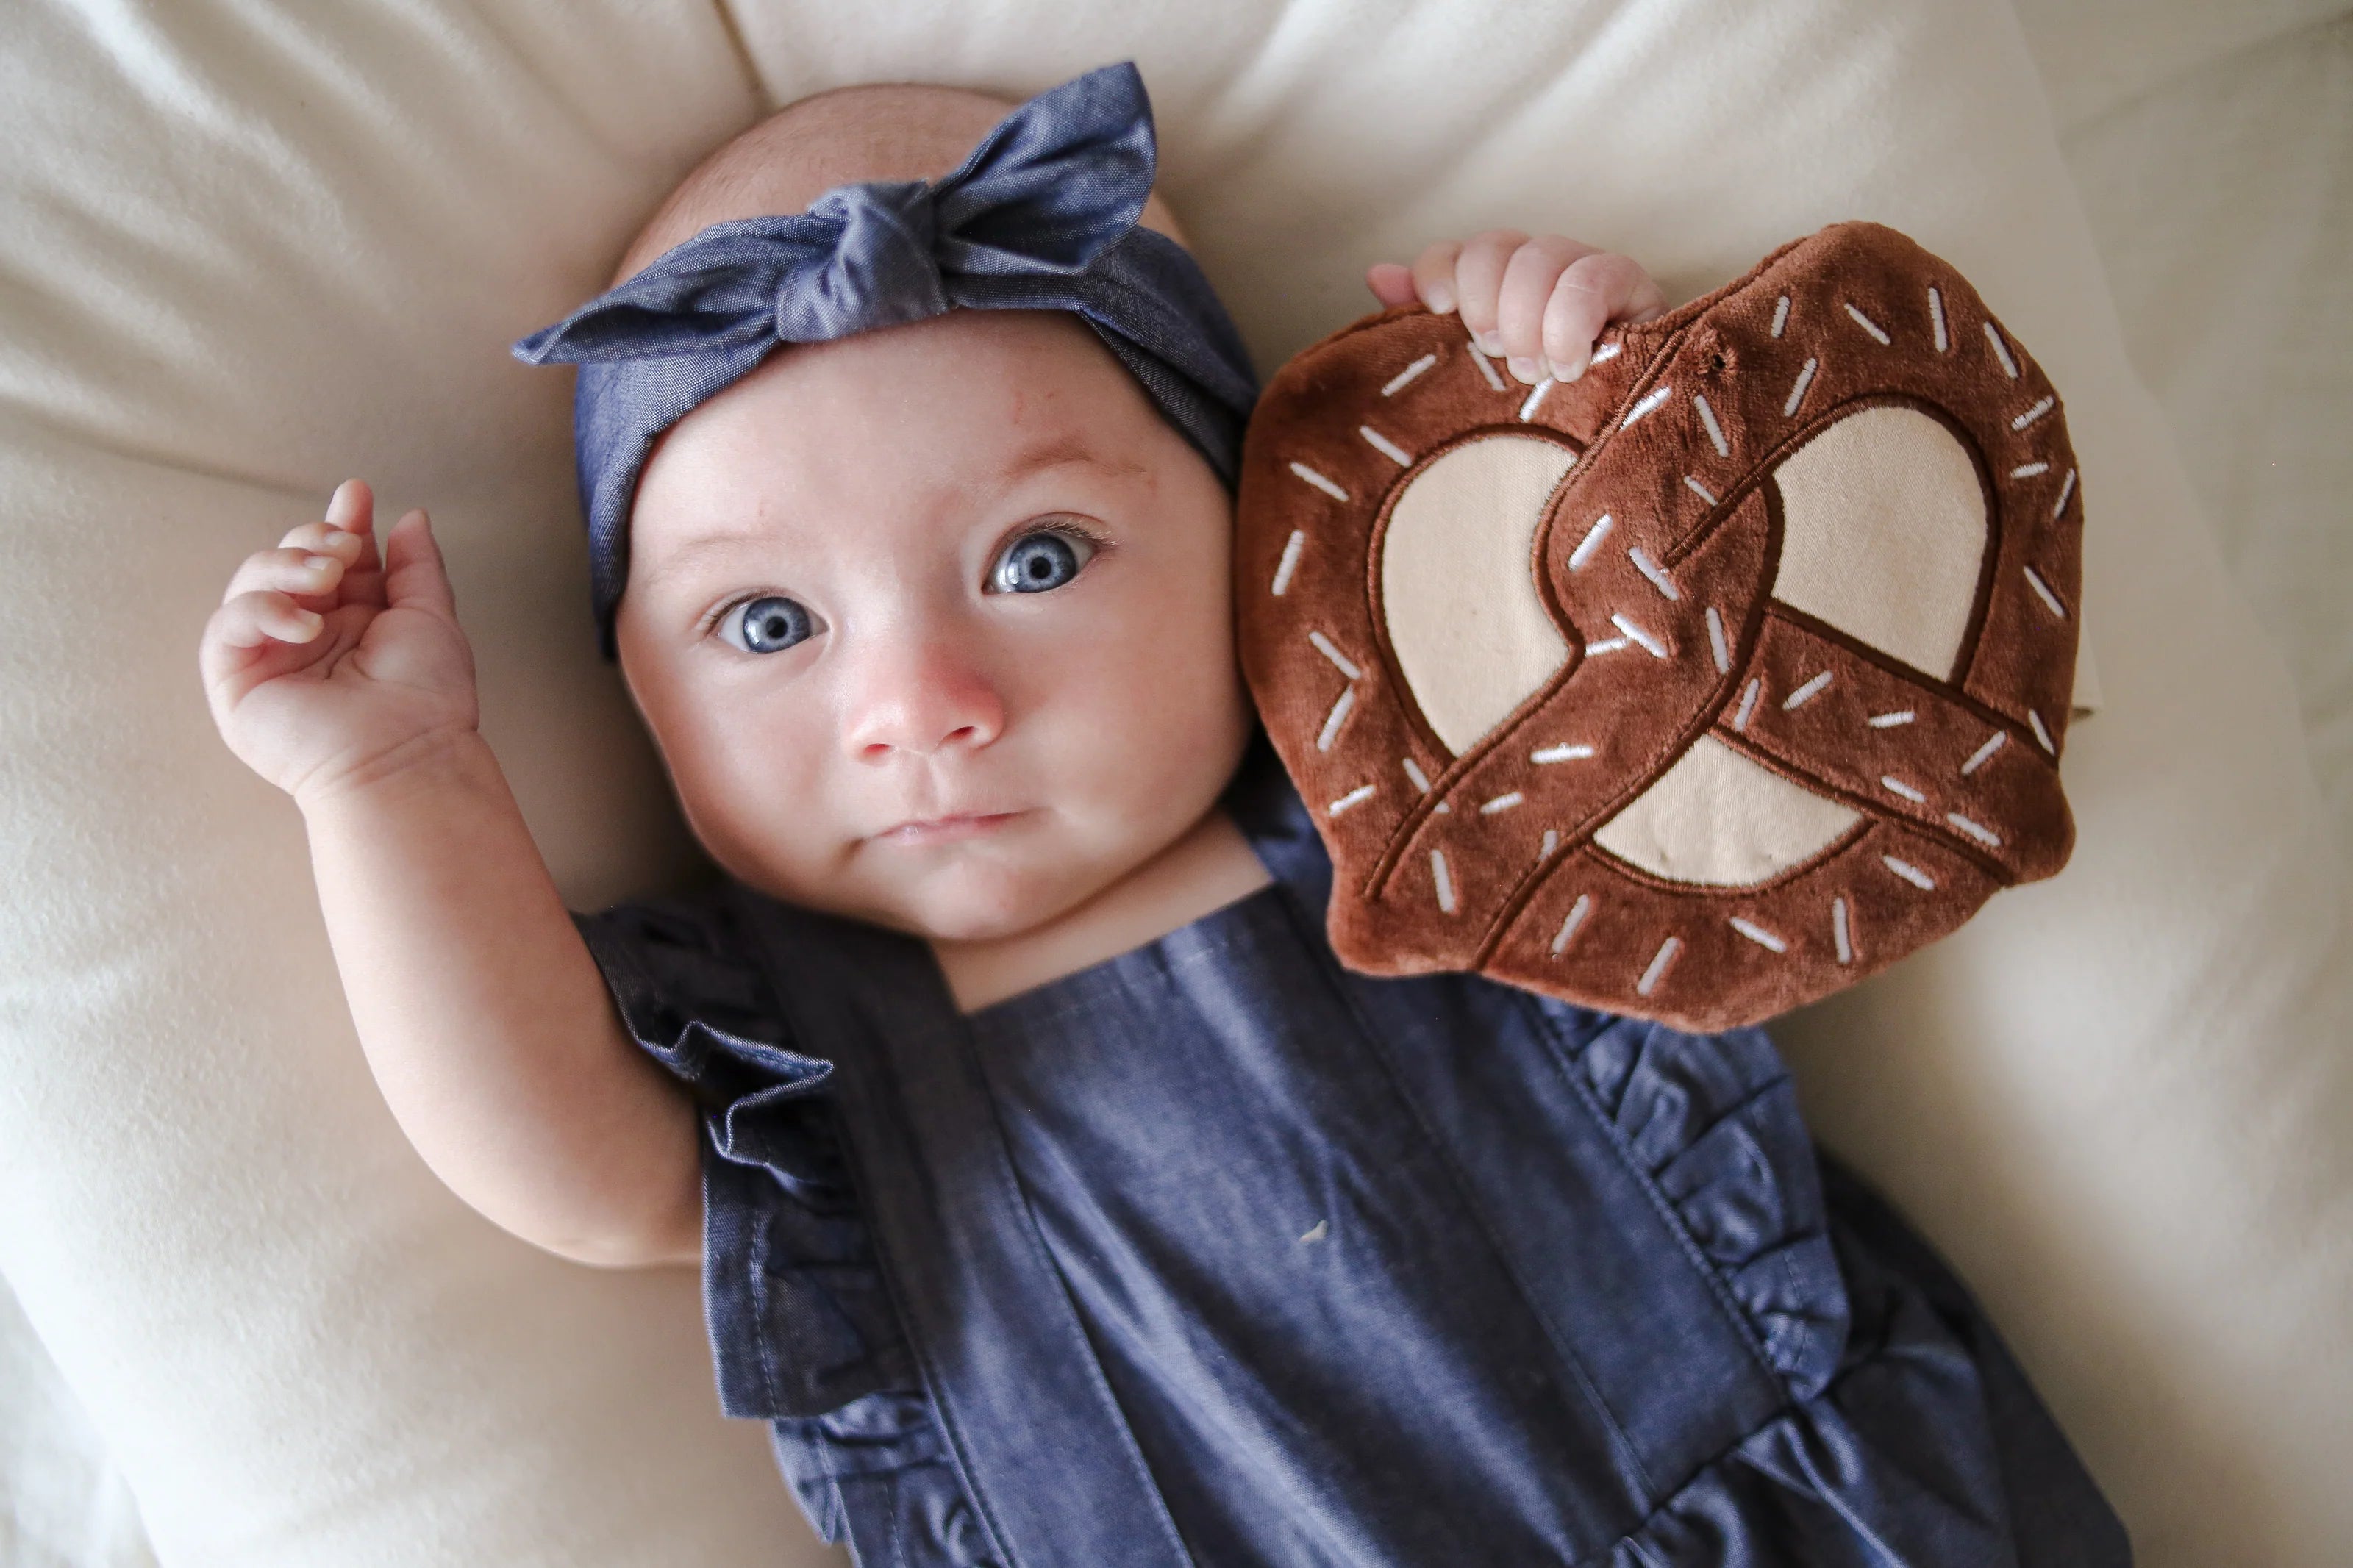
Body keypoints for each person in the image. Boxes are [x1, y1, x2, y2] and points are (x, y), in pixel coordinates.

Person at [196, 62, 2128, 1567]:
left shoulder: (1444, 783)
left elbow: (1717, 686)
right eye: (769, 624)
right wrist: (388, 778)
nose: (923, 705)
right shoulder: (796, 1063)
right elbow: (567, 1167)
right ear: (631, 683)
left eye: (1038, 559)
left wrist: (1565, 396)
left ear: (1252, 535)